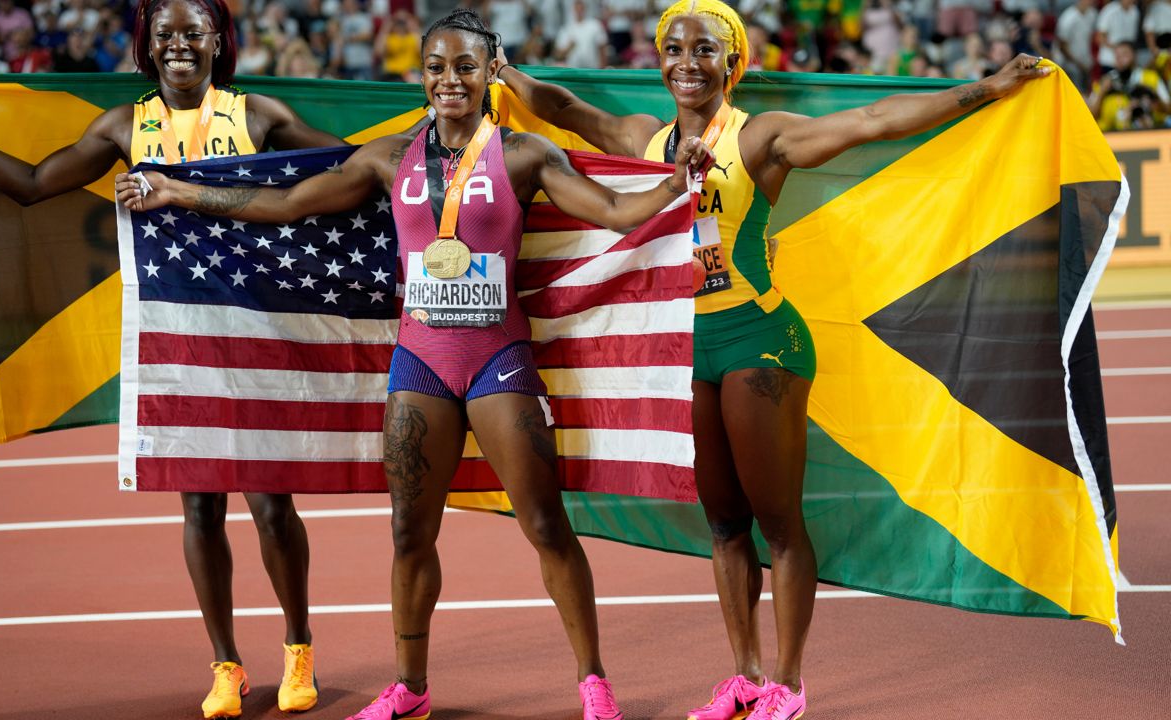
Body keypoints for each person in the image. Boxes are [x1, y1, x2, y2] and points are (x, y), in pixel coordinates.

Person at [116, 9, 711, 720]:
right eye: (436, 67)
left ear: (493, 69)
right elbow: (285, 206)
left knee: (546, 524)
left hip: (498, 361)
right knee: (408, 532)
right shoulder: (384, 158)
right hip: (420, 366)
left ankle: (593, 684)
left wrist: (677, 183)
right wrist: (179, 191)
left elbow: (614, 210)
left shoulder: (524, 155)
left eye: (465, 66)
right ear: (421, 74)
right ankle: (411, 687)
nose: (450, 80)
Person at [492, 1, 1050, 718]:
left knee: (778, 525)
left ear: (733, 63)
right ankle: (745, 676)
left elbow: (876, 122)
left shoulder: (762, 139)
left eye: (705, 50)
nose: (686, 62)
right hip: (683, 350)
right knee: (723, 525)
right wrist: (504, 72)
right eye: (674, 48)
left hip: (760, 343)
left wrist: (987, 88)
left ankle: (789, 682)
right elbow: (567, 108)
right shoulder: (644, 139)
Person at [0, 0, 345, 717]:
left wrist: (444, 129)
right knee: (200, 504)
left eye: (192, 33)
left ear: (217, 42)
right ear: (146, 46)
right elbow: (28, 185)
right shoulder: (123, 125)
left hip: (257, 324)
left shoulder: (258, 114)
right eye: (164, 34)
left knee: (272, 501)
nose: (179, 45)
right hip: (174, 329)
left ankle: (299, 650)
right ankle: (226, 665)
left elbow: (340, 168)